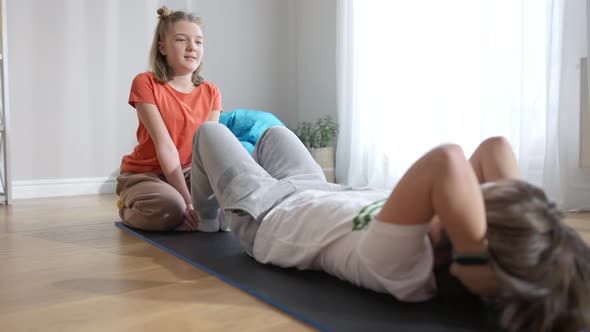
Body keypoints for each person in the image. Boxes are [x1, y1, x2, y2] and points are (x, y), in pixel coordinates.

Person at [190, 121, 590, 332]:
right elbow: (495, 147)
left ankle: (204, 217)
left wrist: (476, 255)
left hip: (266, 212)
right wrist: (531, 223)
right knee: (274, 133)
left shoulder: (403, 266)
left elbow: (449, 160)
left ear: (464, 251)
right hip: (321, 188)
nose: (472, 188)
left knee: (210, 132)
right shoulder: (445, 237)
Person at [117, 6, 224, 232]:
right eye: (181, 40)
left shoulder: (212, 92)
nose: (192, 47)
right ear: (162, 47)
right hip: (146, 174)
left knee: (225, 200)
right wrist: (188, 202)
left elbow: (208, 150)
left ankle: (181, 207)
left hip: (188, 173)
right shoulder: (145, 83)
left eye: (198, 41)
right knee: (172, 209)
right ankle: (127, 206)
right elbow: (165, 146)